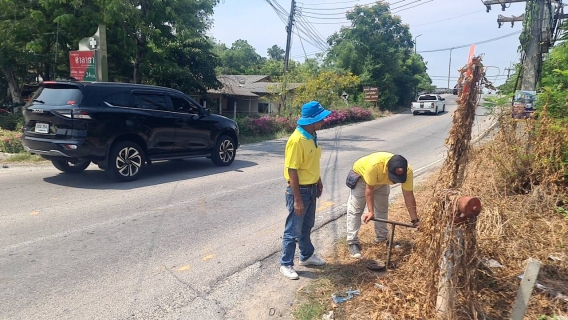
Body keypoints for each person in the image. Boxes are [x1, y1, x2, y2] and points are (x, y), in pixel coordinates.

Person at [280, 101, 331, 280]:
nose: (324, 121)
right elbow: (292, 170)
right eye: (321, 118)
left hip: (311, 189)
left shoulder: (312, 135)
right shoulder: (297, 140)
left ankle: (306, 256)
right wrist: (297, 199)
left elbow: (311, 163)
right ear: (311, 120)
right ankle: (286, 264)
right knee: (293, 230)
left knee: (307, 226)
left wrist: (318, 181)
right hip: (299, 191)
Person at [345, 152, 419, 258]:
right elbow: (369, 189)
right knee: (356, 210)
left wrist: (415, 220)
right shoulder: (374, 166)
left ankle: (382, 238)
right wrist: (370, 211)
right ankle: (352, 241)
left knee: (382, 209)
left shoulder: (408, 171)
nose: (394, 181)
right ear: (387, 167)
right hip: (363, 179)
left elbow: (408, 195)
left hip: (382, 181)